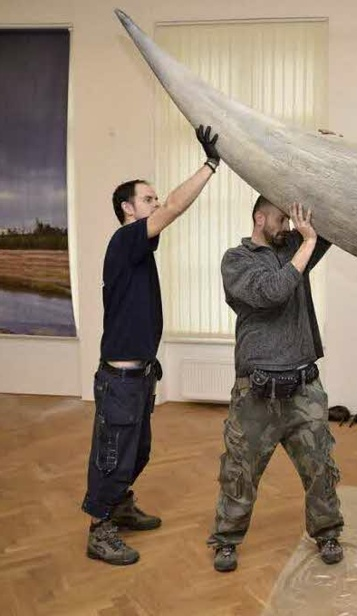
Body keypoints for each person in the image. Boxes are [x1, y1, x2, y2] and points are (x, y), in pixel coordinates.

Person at [83, 125, 222, 565]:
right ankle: (99, 529)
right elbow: (176, 206)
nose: (157, 203)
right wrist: (210, 164)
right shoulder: (126, 239)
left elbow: (168, 208)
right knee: (113, 456)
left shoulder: (139, 249)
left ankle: (120, 506)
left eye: (155, 197)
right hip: (120, 380)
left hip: (139, 377)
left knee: (137, 452)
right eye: (148, 198)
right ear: (128, 208)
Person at [208, 196, 343, 572]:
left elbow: (331, 225)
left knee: (321, 469)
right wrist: (308, 242)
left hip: (304, 388)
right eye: (282, 220)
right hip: (256, 393)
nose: (288, 227)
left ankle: (327, 531)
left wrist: (316, 180)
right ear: (259, 218)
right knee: (240, 473)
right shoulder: (237, 260)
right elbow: (271, 292)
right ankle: (226, 540)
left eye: (290, 221)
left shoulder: (294, 248)